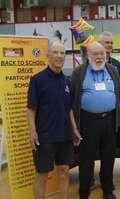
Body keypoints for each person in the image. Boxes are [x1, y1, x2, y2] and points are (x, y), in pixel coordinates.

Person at [27, 41, 81, 199]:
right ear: (48, 55)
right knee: (42, 175)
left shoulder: (67, 81)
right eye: (55, 52)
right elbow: (31, 108)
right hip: (44, 137)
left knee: (64, 172)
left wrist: (74, 130)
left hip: (65, 136)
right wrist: (32, 131)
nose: (59, 56)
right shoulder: (37, 80)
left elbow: (69, 108)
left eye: (62, 53)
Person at [71, 41, 120, 199]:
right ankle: (84, 191)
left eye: (102, 54)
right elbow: (72, 100)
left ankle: (107, 189)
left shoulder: (112, 70)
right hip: (88, 121)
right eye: (95, 54)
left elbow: (118, 93)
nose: (99, 57)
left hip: (109, 120)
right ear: (87, 55)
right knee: (86, 158)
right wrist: (75, 127)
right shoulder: (79, 72)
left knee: (108, 156)